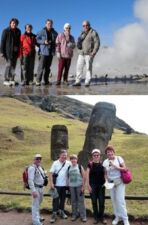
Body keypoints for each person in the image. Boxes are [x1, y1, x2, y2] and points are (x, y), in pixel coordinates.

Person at [103, 146, 130, 225]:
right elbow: (105, 173)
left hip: (119, 182)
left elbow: (125, 168)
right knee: (114, 201)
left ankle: (125, 219)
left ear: (113, 152)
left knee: (120, 200)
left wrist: (115, 166)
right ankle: (117, 217)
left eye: (111, 151)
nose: (110, 153)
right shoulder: (105, 162)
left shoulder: (119, 158)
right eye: (108, 152)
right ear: (106, 154)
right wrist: (106, 181)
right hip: (111, 183)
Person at [73, 20, 100, 87]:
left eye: (86, 25)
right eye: (83, 26)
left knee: (88, 68)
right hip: (81, 54)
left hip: (89, 54)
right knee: (79, 67)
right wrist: (78, 50)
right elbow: (78, 42)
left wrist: (94, 52)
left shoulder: (93, 32)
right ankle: (78, 81)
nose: (85, 26)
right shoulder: (82, 33)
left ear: (89, 25)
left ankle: (87, 82)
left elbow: (97, 43)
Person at [49, 149, 71, 223]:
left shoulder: (68, 163)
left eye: (65, 155)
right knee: (55, 200)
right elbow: (51, 173)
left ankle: (61, 212)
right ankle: (54, 214)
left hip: (65, 185)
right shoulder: (55, 163)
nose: (64, 157)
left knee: (63, 199)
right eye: (63, 155)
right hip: (56, 185)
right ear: (59, 155)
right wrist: (51, 183)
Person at [86, 149, 106, 224]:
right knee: (94, 202)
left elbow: (105, 174)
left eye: (97, 155)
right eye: (94, 155)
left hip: (101, 186)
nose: (96, 156)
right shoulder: (90, 164)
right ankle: (96, 217)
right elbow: (87, 175)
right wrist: (88, 185)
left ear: (100, 156)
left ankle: (102, 217)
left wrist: (106, 182)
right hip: (93, 186)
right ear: (92, 156)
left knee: (101, 202)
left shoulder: (103, 164)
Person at [36, 19, 57, 86]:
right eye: (48, 23)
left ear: (52, 24)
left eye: (50, 23)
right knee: (41, 67)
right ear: (45, 24)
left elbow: (57, 41)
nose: (49, 25)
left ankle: (46, 80)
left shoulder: (54, 32)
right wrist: (43, 42)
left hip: (51, 52)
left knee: (48, 68)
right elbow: (36, 40)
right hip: (43, 52)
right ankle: (38, 81)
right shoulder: (41, 31)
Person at [0, 18, 21, 86]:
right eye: (13, 23)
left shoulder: (18, 31)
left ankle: (12, 79)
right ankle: (6, 80)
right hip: (7, 51)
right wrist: (1, 52)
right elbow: (2, 42)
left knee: (13, 66)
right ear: (10, 23)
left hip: (15, 51)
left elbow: (18, 42)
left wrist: (18, 49)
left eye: (15, 23)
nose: (14, 24)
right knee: (8, 65)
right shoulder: (6, 31)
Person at [28, 154, 46, 225]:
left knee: (38, 204)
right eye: (37, 159)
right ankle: (35, 222)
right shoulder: (32, 168)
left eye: (40, 159)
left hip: (41, 188)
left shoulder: (40, 167)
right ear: (34, 160)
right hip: (36, 188)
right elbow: (30, 180)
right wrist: (33, 191)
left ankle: (37, 217)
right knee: (35, 205)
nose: (38, 160)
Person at [68, 154, 87, 222]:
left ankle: (83, 216)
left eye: (75, 159)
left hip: (79, 186)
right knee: (73, 201)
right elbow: (68, 177)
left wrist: (83, 186)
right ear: (70, 160)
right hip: (71, 187)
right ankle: (74, 215)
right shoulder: (69, 167)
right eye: (72, 159)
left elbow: (84, 177)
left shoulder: (79, 166)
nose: (73, 160)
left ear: (77, 159)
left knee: (81, 201)